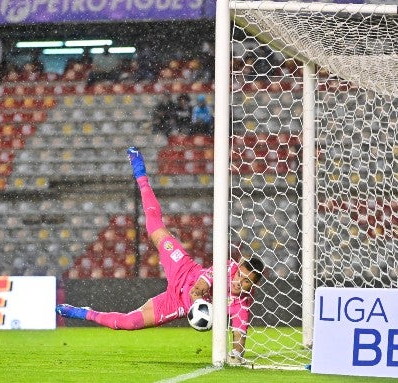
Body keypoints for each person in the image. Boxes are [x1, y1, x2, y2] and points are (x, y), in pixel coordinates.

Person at [56, 147, 265, 364]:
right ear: (238, 267)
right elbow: (201, 286)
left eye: (248, 282)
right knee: (153, 226)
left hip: (177, 303)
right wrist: (198, 304)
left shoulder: (243, 303)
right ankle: (141, 176)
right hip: (183, 269)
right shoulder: (227, 267)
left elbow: (240, 331)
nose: (241, 282)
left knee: (128, 323)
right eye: (241, 275)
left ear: (254, 286)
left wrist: (237, 354)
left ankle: (84, 313)